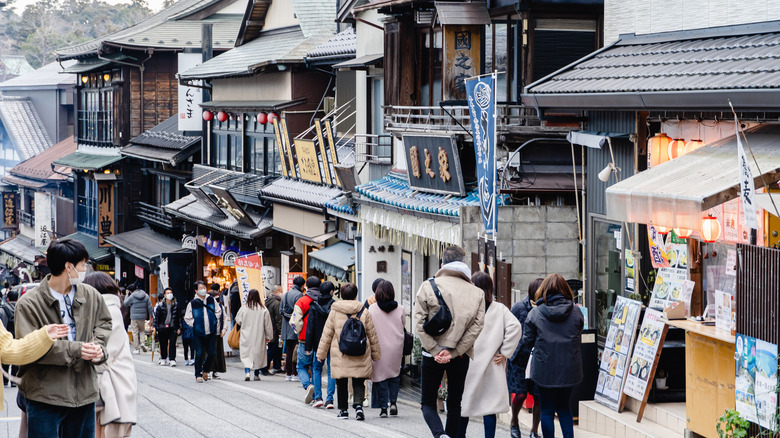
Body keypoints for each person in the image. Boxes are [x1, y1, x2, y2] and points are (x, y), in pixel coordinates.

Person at [15, 238, 112, 437]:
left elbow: (104, 323)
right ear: (69, 267)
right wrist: (77, 349)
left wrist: (99, 348)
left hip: (84, 394)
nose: (86, 269)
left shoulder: (91, 295)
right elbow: (28, 347)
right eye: (83, 265)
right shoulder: (29, 303)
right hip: (45, 396)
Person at [414, 245, 485, 438]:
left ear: (443, 263)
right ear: (463, 264)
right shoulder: (477, 292)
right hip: (460, 354)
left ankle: (439, 434)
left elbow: (419, 322)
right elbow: (476, 328)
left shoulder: (428, 286)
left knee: (427, 403)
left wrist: (436, 350)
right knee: (455, 402)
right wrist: (453, 352)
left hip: (432, 353)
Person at [519, 274, 584, 438]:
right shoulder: (575, 311)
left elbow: (527, 341)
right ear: (565, 290)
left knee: (547, 410)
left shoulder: (536, 313)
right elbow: (579, 330)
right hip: (569, 368)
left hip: (544, 368)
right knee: (564, 407)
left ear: (544, 290)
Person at [460, 272, 522, 438]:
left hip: (468, 362)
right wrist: (505, 352)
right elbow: (516, 327)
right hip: (492, 364)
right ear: (490, 288)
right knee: (489, 408)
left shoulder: (466, 308)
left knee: (464, 405)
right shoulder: (499, 309)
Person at [83, 272, 138, 438]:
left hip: (115, 385)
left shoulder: (108, 311)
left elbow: (105, 351)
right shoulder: (108, 308)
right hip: (117, 383)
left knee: (109, 432)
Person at [316, 283, 381, 421]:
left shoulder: (335, 311)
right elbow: (372, 334)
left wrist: (321, 354)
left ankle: (344, 411)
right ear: (355, 295)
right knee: (358, 380)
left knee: (341, 382)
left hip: (341, 353)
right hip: (360, 351)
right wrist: (376, 354)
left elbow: (327, 334)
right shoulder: (363, 310)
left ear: (342, 295)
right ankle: (358, 407)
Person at [507, 278, 544, 438]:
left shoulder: (546, 309)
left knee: (538, 396)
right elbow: (506, 327)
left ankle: (534, 430)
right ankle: (514, 421)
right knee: (520, 394)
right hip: (520, 359)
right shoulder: (519, 308)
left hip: (539, 359)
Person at [368, 280, 404, 418]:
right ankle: (393, 402)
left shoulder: (372, 309)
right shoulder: (400, 308)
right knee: (394, 375)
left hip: (379, 347)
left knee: (380, 377)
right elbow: (403, 324)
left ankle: (384, 407)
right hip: (396, 347)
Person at [184, 281, 223, 383]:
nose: (203, 289)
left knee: (212, 353)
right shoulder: (193, 303)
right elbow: (187, 318)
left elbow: (218, 311)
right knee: (199, 353)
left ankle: (205, 369)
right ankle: (198, 374)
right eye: (200, 288)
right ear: (196, 290)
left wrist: (214, 320)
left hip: (211, 331)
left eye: (204, 287)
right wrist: (195, 323)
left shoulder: (211, 299)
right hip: (198, 332)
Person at [305, 281, 336, 409]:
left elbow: (310, 328)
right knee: (331, 371)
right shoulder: (335, 306)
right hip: (332, 343)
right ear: (331, 292)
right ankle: (330, 400)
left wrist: (308, 346)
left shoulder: (314, 306)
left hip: (318, 343)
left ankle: (318, 397)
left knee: (316, 369)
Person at [291, 276, 322, 403]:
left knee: (301, 366)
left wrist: (298, 331)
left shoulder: (301, 301)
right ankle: (317, 397)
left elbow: (295, 321)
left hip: (304, 340)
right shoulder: (323, 300)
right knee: (316, 368)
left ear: (306, 287)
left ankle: (308, 385)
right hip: (320, 341)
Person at [235, 289, 273, 381]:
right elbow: (268, 324)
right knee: (258, 355)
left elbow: (238, 320)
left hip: (246, 334)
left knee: (246, 354)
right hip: (259, 335)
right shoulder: (263, 309)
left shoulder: (244, 308)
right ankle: (256, 374)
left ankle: (247, 372)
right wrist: (269, 336)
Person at [281, 276, 304, 382]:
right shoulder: (299, 295)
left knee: (289, 350)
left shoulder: (285, 294)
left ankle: (288, 373)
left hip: (286, 325)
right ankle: (294, 373)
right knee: (295, 350)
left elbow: (281, 310)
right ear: (302, 285)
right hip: (294, 325)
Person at [259, 285, 282, 376]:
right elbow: (278, 318)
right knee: (272, 349)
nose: (281, 293)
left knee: (275, 348)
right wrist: (280, 331)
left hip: (268, 328)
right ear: (276, 292)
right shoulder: (276, 303)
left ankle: (277, 366)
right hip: (274, 330)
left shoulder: (267, 301)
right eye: (281, 291)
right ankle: (264, 368)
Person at [154, 287, 180, 367]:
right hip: (162, 327)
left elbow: (178, 317)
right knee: (163, 343)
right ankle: (163, 358)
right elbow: (157, 317)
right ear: (164, 295)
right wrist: (155, 326)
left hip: (172, 327)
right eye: (167, 293)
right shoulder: (160, 306)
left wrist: (179, 327)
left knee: (172, 343)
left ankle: (172, 359)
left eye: (170, 293)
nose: (169, 294)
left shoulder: (176, 304)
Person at [123, 283, 152, 354]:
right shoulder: (145, 295)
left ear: (130, 291)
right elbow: (150, 306)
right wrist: (151, 316)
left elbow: (125, 304)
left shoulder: (132, 296)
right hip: (143, 317)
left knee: (135, 332)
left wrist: (127, 295)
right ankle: (143, 343)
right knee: (142, 330)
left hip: (134, 317)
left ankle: (137, 348)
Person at [208, 283, 227, 379]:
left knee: (217, 353)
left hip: (218, 332)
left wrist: (223, 330)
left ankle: (215, 371)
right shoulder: (206, 306)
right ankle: (207, 370)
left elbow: (224, 318)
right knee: (209, 352)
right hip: (208, 333)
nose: (217, 300)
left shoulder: (221, 306)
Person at [1, 289, 18, 387]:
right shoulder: (21, 308)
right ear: (17, 298)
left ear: (7, 299)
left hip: (7, 336)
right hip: (17, 336)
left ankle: (5, 380)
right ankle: (14, 380)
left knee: (5, 357)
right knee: (16, 357)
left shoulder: (3, 309)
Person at [180, 301, 195, 366]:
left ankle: (192, 359)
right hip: (185, 337)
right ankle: (186, 359)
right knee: (186, 349)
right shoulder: (182, 322)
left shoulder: (191, 320)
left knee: (192, 348)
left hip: (191, 336)